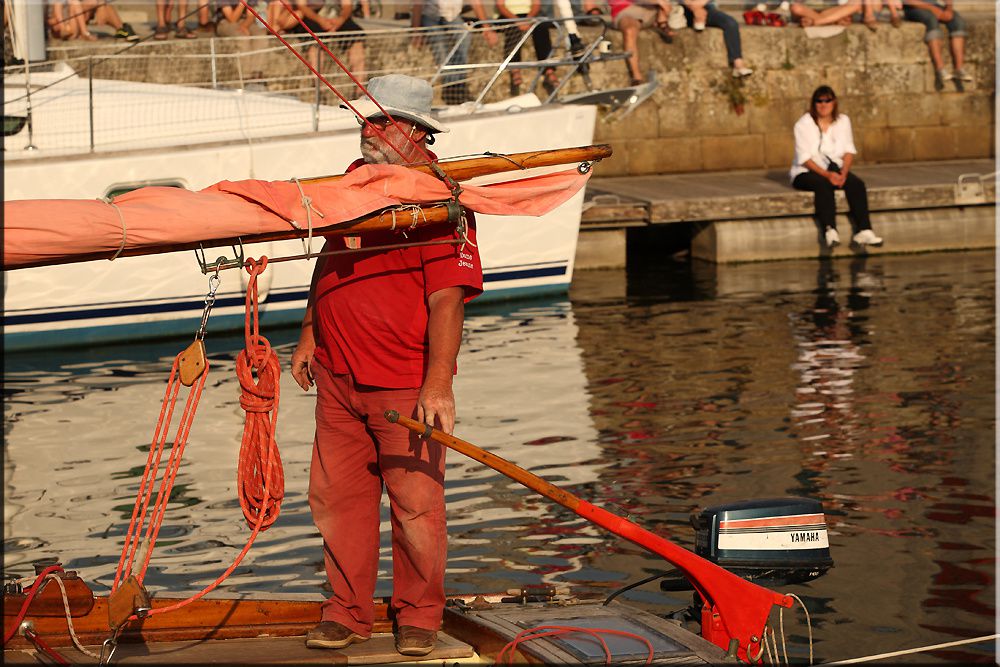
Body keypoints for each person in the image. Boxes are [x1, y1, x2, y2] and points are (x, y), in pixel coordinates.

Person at [292, 74, 483, 657]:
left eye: (382, 121)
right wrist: (307, 334)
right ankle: (346, 613)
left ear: (417, 133)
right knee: (336, 501)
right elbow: (329, 266)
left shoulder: (443, 200)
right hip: (338, 377)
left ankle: (419, 616)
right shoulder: (350, 186)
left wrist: (438, 385)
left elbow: (446, 296)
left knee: (417, 506)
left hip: (405, 382)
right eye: (367, 119)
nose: (368, 130)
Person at [790, 85, 883, 249]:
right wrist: (827, 175)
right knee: (822, 184)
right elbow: (805, 158)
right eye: (819, 101)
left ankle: (864, 229)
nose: (823, 104)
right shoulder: (803, 124)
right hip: (807, 171)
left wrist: (844, 173)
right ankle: (830, 229)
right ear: (814, 103)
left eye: (827, 100)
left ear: (834, 102)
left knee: (856, 184)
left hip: (836, 167)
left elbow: (848, 150)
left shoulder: (843, 121)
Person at [411, 0, 499, 104]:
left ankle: (459, 87)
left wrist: (487, 28)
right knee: (440, 47)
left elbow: (476, 2)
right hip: (430, 15)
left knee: (464, 38)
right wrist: (416, 31)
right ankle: (450, 89)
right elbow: (417, 3)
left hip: (452, 15)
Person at [271, 0, 366, 88]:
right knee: (315, 43)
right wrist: (320, 20)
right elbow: (302, 6)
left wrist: (340, 20)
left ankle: (359, 88)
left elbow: (347, 5)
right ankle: (318, 85)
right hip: (311, 15)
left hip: (335, 16)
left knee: (356, 38)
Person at [901, 0, 970, 92]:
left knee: (958, 22)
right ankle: (940, 68)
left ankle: (959, 69)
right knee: (931, 20)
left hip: (934, 6)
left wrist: (948, 10)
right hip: (913, 8)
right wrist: (934, 9)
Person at [496, 0, 558, 96]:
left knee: (541, 28)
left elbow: (536, 4)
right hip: (509, 16)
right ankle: (515, 69)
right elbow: (501, 6)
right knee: (513, 30)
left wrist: (528, 18)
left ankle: (548, 69)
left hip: (529, 15)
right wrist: (517, 21)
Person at [608, 0, 674, 86]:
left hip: (652, 10)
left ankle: (662, 22)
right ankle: (637, 78)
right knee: (630, 30)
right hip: (625, 10)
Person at [681, 0, 752, 78]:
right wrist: (695, 9)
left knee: (731, 23)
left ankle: (738, 64)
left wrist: (699, 5)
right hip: (683, 10)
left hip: (706, 8)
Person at [215, 0, 268, 86]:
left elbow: (251, 15)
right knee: (242, 37)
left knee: (260, 35)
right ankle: (245, 75)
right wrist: (242, 2)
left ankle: (256, 73)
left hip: (246, 21)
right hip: (226, 22)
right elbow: (232, 19)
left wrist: (244, 26)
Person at [47, 0, 138, 41]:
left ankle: (122, 29)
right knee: (77, 3)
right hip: (64, 26)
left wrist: (101, 4)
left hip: (72, 18)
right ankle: (85, 33)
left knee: (100, 4)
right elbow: (56, 10)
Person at [789, 0, 862, 27]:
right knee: (796, 8)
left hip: (829, 10)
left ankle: (816, 22)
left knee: (856, 3)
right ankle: (832, 21)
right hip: (809, 11)